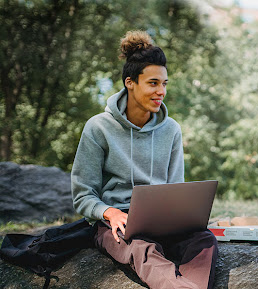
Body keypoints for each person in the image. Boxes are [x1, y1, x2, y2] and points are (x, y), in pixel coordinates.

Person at [71, 31, 217, 289]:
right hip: (116, 223)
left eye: (164, 84)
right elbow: (83, 195)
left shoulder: (170, 129)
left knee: (203, 240)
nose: (161, 91)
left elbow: (175, 190)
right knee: (142, 248)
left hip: (162, 221)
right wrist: (110, 212)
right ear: (130, 82)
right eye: (153, 83)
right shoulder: (98, 128)